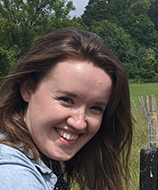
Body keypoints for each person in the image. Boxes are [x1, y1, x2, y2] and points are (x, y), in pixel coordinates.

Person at [0, 27, 133, 190]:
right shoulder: (14, 174)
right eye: (66, 100)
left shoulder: (40, 159)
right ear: (27, 89)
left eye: (96, 108)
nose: (79, 123)